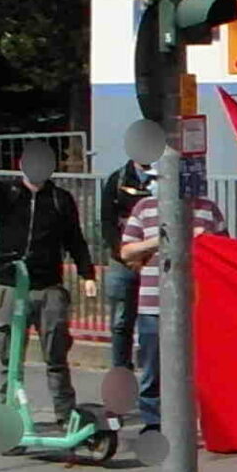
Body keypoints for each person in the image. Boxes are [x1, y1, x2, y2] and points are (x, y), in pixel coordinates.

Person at [0, 116, 94, 425]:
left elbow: (75, 239)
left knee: (56, 357)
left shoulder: (61, 200)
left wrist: (87, 274)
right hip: (12, 286)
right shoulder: (8, 195)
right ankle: (9, 414)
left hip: (48, 288)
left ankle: (65, 414)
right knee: (11, 360)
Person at [116, 170, 227, 430]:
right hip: (153, 303)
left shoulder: (208, 209)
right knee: (153, 366)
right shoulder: (144, 208)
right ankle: (153, 422)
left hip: (197, 302)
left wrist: (205, 240)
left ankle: (203, 420)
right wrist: (161, 241)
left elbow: (225, 250)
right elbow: (127, 251)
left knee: (201, 365)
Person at [97, 126, 157, 372]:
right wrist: (122, 252)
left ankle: (151, 369)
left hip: (154, 259)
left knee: (152, 321)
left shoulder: (163, 179)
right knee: (121, 321)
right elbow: (107, 221)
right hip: (124, 261)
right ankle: (121, 370)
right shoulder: (117, 179)